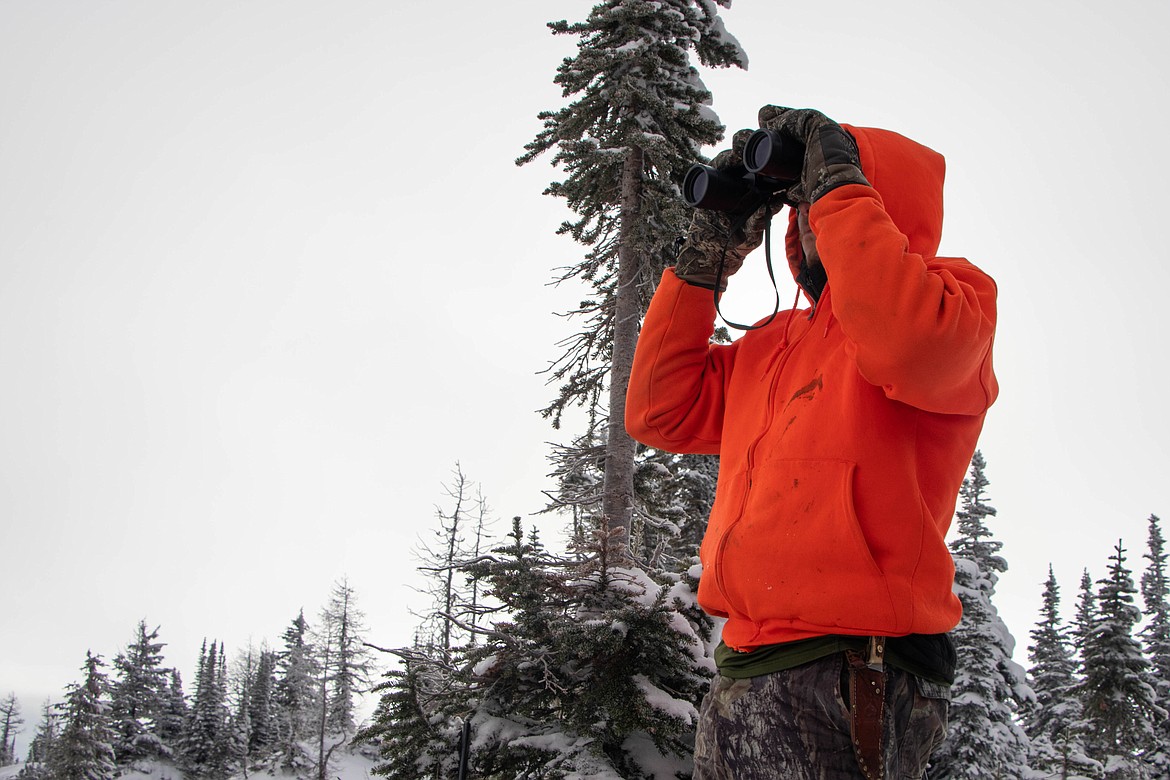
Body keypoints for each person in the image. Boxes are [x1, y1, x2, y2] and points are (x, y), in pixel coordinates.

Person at [624, 106, 998, 779]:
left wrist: (840, 186)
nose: (808, 219)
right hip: (743, 664)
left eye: (817, 196)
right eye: (803, 203)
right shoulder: (772, 345)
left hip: (850, 667)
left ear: (875, 204)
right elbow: (658, 411)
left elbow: (906, 343)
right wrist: (707, 253)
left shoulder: (951, 304)